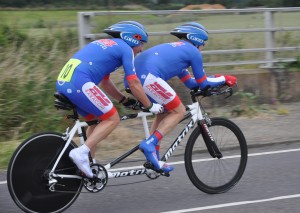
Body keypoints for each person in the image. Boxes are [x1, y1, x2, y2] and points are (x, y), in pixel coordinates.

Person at [56, 21, 163, 178]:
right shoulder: (125, 49)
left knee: (95, 121)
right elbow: (133, 82)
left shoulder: (106, 44)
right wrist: (150, 105)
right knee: (112, 119)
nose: (141, 49)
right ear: (132, 39)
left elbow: (105, 81)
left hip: (65, 81)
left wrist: (123, 100)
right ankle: (81, 153)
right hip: (79, 81)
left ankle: (88, 163)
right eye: (141, 43)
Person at [133, 22, 237, 173]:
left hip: (135, 79)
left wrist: (216, 79)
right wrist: (225, 78)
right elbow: (203, 84)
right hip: (148, 77)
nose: (203, 47)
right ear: (197, 40)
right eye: (203, 43)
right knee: (179, 111)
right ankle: (150, 144)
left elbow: (191, 83)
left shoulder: (178, 52)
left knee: (164, 112)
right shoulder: (192, 52)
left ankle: (153, 155)